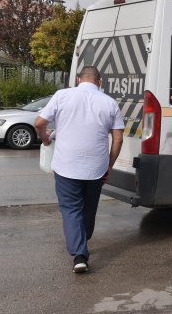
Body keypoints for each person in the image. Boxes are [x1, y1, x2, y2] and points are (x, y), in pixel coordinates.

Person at [34, 66, 124, 273]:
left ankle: (80, 254)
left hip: (66, 165)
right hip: (96, 167)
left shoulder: (62, 95)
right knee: (89, 207)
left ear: (77, 79)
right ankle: (82, 239)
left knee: (71, 209)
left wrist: (45, 137)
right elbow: (118, 138)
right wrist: (110, 164)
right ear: (100, 82)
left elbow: (39, 122)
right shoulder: (109, 102)